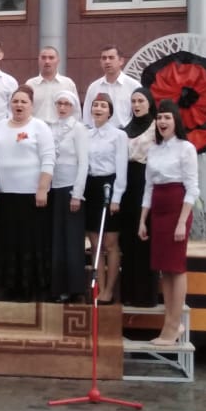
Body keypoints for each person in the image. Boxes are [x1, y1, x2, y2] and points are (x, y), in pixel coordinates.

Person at [138, 99, 198, 345]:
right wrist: (143, 219)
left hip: (177, 208)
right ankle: (170, 322)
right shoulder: (153, 149)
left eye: (167, 118)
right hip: (158, 210)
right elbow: (148, 188)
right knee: (164, 269)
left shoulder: (186, 148)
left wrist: (182, 221)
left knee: (176, 267)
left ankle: (174, 325)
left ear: (176, 121)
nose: (162, 122)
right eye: (159, 118)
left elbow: (192, 188)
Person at [0, 85, 56, 301]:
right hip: (6, 194)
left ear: (31, 105)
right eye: (15, 101)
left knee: (30, 241)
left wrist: (42, 188)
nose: (19, 105)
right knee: (8, 241)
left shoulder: (40, 127)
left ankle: (30, 288)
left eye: (23, 102)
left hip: (32, 195)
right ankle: (10, 287)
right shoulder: (0, 126)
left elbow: (49, 158)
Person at [84, 92, 128, 304]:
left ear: (110, 112)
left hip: (109, 186)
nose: (98, 109)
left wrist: (116, 198)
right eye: (95, 105)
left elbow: (122, 169)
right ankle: (99, 289)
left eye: (103, 106)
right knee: (95, 243)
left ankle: (110, 289)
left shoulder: (118, 136)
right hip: (91, 186)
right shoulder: (86, 134)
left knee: (110, 243)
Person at [48, 91, 89, 303]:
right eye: (59, 103)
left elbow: (84, 163)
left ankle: (74, 288)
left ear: (73, 107)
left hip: (71, 189)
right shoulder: (50, 127)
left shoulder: (78, 129)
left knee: (72, 240)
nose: (62, 107)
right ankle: (57, 287)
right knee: (56, 240)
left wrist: (77, 193)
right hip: (54, 188)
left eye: (66, 104)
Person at [121, 87, 159, 307]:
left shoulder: (156, 127)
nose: (136, 105)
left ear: (149, 103)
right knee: (128, 239)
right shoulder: (126, 128)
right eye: (133, 101)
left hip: (146, 182)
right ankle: (128, 293)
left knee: (144, 236)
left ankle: (146, 295)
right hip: (127, 184)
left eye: (141, 101)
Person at [82, 44, 140, 128]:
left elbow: (139, 115)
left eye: (111, 58)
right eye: (104, 58)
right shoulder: (94, 87)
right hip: (98, 133)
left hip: (125, 133)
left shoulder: (133, 86)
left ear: (121, 61)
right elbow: (87, 116)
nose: (107, 61)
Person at [27, 46, 78, 124]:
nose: (47, 61)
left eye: (51, 58)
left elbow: (76, 112)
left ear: (58, 60)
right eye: (43, 58)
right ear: (38, 60)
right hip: (36, 129)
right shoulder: (30, 84)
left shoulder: (68, 84)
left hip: (61, 129)